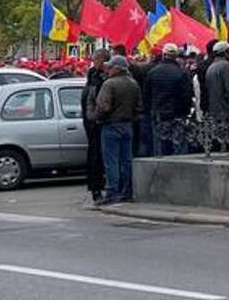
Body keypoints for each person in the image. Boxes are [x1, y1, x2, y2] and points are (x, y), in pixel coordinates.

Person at [93, 54, 141, 205]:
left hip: (111, 125)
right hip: (127, 125)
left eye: (110, 67)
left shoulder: (109, 84)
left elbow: (103, 106)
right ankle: (127, 191)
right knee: (126, 161)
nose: (107, 69)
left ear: (116, 68)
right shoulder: (133, 84)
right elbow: (139, 107)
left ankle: (112, 192)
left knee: (111, 161)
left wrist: (97, 116)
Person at [143, 44, 194, 155]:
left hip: (158, 114)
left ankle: (161, 170)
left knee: (160, 145)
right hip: (177, 114)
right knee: (178, 146)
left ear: (163, 55)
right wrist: (186, 111)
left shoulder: (153, 72)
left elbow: (146, 95)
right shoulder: (181, 73)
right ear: (175, 56)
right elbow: (186, 95)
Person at [82, 48, 109, 198]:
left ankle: (96, 186)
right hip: (95, 122)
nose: (94, 63)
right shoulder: (96, 78)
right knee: (97, 155)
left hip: (93, 122)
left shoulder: (94, 77)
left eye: (95, 60)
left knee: (96, 155)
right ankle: (96, 187)